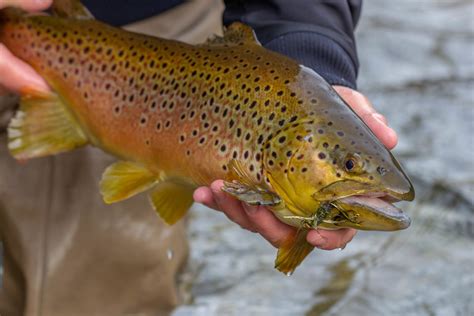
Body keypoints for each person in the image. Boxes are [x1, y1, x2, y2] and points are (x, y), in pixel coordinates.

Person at [0, 0, 399, 314]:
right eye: (348, 166)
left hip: (146, 33)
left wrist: (309, 48)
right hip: (67, 37)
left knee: (91, 293)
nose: (353, 175)